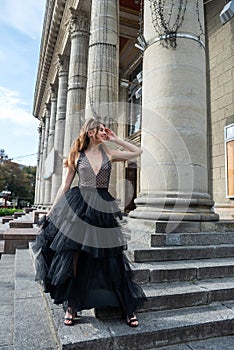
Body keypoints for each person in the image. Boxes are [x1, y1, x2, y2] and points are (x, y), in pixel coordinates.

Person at [32, 118, 146, 327]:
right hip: (79, 206)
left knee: (111, 256)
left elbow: (137, 151)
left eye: (105, 130)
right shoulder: (76, 155)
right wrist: (52, 209)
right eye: (102, 130)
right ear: (91, 132)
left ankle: (127, 307)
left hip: (102, 207)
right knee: (73, 256)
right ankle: (72, 306)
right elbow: (65, 186)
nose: (105, 132)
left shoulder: (109, 153)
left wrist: (116, 138)